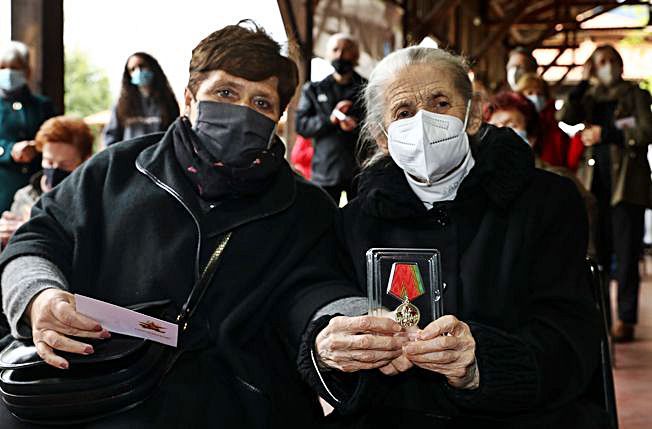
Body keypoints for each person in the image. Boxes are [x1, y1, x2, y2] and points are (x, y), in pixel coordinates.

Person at [0, 21, 361, 427]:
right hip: (105, 400)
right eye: (225, 93)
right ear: (189, 98)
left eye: (261, 103)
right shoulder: (116, 171)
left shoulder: (307, 208)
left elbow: (319, 289)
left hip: (244, 408)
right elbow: (36, 240)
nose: (242, 112)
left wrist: (336, 326)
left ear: (279, 116)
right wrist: (38, 299)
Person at [298, 47, 607, 428]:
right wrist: (334, 347)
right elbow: (324, 305)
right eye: (404, 112)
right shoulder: (353, 223)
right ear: (381, 136)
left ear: (473, 114)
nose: (423, 122)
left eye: (440, 102)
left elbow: (569, 339)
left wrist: (480, 365)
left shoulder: (545, 202)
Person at [557, 45, 652, 342]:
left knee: (626, 257)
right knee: (596, 255)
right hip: (593, 186)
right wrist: (583, 82)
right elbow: (566, 116)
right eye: (601, 61)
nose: (607, 65)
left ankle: (625, 319)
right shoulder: (588, 96)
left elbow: (645, 131)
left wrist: (607, 134)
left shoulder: (636, 95)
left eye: (612, 60)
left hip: (626, 187)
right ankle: (600, 317)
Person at [484, 90, 598, 257]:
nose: (503, 134)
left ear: (531, 136)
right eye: (495, 128)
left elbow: (584, 243)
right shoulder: (479, 186)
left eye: (512, 125)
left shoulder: (559, 182)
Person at [0, 116, 93, 249]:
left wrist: (30, 231)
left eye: (64, 164)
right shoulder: (25, 196)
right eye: (49, 161)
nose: (54, 169)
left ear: (85, 160)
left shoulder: (91, 201)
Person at [295, 33, 366, 203]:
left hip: (358, 172)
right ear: (328, 54)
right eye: (335, 50)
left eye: (346, 50)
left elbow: (378, 124)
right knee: (323, 221)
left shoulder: (367, 89)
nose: (340, 55)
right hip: (324, 173)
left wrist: (358, 125)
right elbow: (301, 126)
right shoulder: (313, 89)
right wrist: (330, 120)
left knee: (358, 223)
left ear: (355, 55)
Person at [0, 41, 54, 212]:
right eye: (3, 67)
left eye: (15, 67)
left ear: (27, 71)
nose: (8, 73)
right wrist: (9, 150)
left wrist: (36, 147)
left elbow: (55, 139)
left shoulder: (43, 105)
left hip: (36, 189)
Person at [102, 52, 179, 146]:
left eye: (142, 66)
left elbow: (175, 136)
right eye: (132, 69)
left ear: (152, 67)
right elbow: (110, 138)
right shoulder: (121, 105)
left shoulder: (168, 102)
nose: (138, 71)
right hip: (129, 159)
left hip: (158, 158)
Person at [515, 73, 570, 167]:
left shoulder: (553, 128)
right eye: (530, 93)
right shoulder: (513, 123)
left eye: (539, 94)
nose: (535, 98)